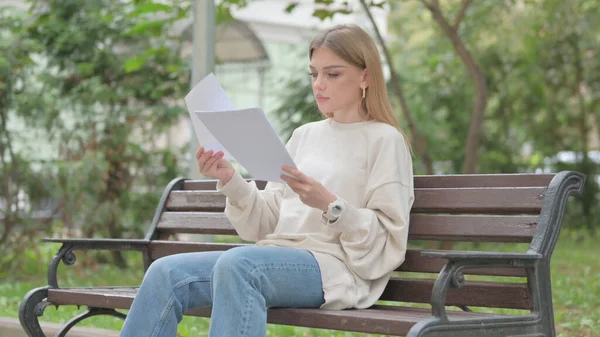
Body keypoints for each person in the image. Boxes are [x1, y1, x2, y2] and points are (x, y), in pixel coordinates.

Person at [119, 23, 414, 337]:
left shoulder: (385, 140)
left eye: (333, 74)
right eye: (314, 74)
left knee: (240, 265)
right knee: (166, 272)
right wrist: (231, 180)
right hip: (275, 258)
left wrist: (330, 205)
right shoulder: (304, 136)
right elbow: (268, 221)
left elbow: (388, 238)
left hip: (334, 269)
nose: (319, 85)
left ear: (365, 76)